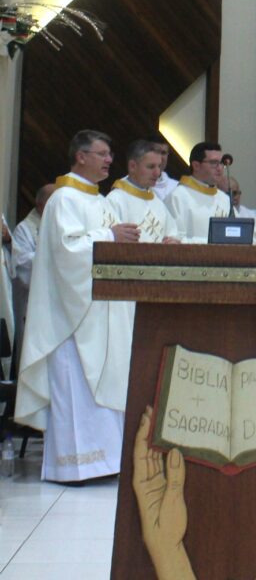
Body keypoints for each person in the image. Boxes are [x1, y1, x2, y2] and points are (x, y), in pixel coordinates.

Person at [15, 130, 140, 483]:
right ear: (80, 156)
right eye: (101, 153)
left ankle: (106, 461)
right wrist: (110, 236)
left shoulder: (100, 202)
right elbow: (67, 252)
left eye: (110, 154)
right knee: (76, 387)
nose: (108, 160)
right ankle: (74, 466)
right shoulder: (63, 199)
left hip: (101, 312)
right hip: (71, 316)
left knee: (105, 384)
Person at [106, 140, 182, 244]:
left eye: (159, 166)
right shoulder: (116, 200)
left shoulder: (157, 202)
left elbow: (173, 233)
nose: (157, 173)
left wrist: (173, 242)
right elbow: (108, 243)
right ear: (132, 166)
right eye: (151, 167)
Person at [164, 140, 231, 242]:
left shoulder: (224, 199)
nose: (220, 168)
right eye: (214, 163)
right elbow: (173, 239)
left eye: (221, 163)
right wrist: (211, 244)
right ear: (196, 165)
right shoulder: (178, 197)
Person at [10, 183, 54, 328]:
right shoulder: (24, 230)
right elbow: (22, 266)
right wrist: (57, 259)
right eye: (53, 202)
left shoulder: (62, 225)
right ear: (41, 206)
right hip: (34, 304)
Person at [145, 133, 179, 202]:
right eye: (156, 152)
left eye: (163, 153)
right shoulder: (128, 185)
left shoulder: (176, 188)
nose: (160, 158)